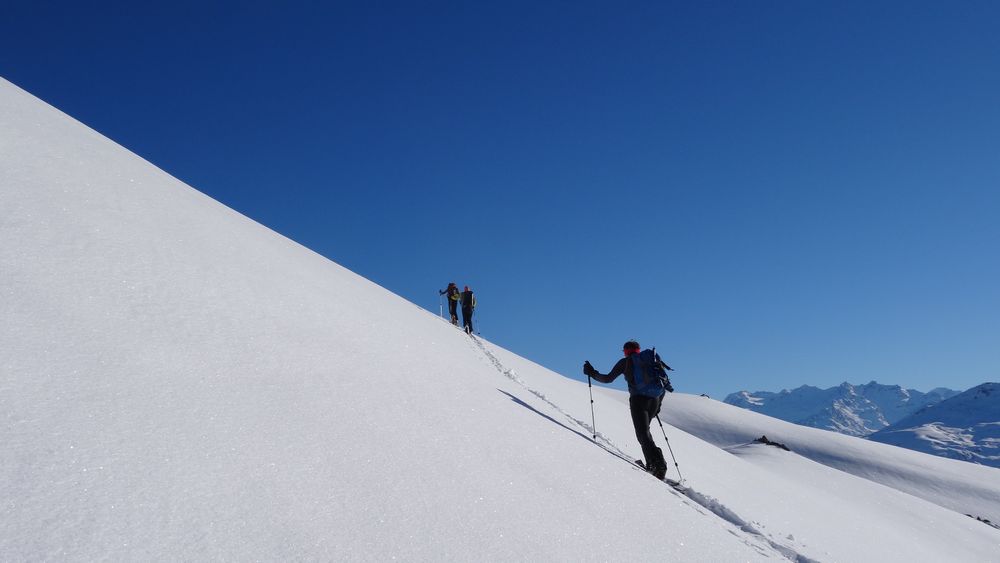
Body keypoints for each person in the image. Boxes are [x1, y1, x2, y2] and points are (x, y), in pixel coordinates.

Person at [583, 341, 674, 480]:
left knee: (642, 434)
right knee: (645, 433)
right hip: (654, 400)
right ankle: (653, 464)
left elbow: (608, 379)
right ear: (638, 350)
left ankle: (658, 465)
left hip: (638, 400)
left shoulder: (625, 362)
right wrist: (658, 405)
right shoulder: (652, 360)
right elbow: (663, 383)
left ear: (626, 351)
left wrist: (592, 373)